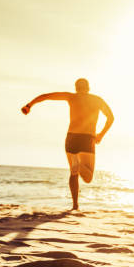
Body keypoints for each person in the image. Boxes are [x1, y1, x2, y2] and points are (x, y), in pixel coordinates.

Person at [21, 78, 114, 210]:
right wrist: (100, 135)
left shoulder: (71, 97)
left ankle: (75, 205)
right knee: (87, 177)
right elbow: (111, 117)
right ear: (88, 87)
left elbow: (46, 96)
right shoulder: (97, 100)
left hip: (71, 138)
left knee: (74, 172)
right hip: (87, 138)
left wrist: (29, 105)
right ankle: (78, 165)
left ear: (76, 88)